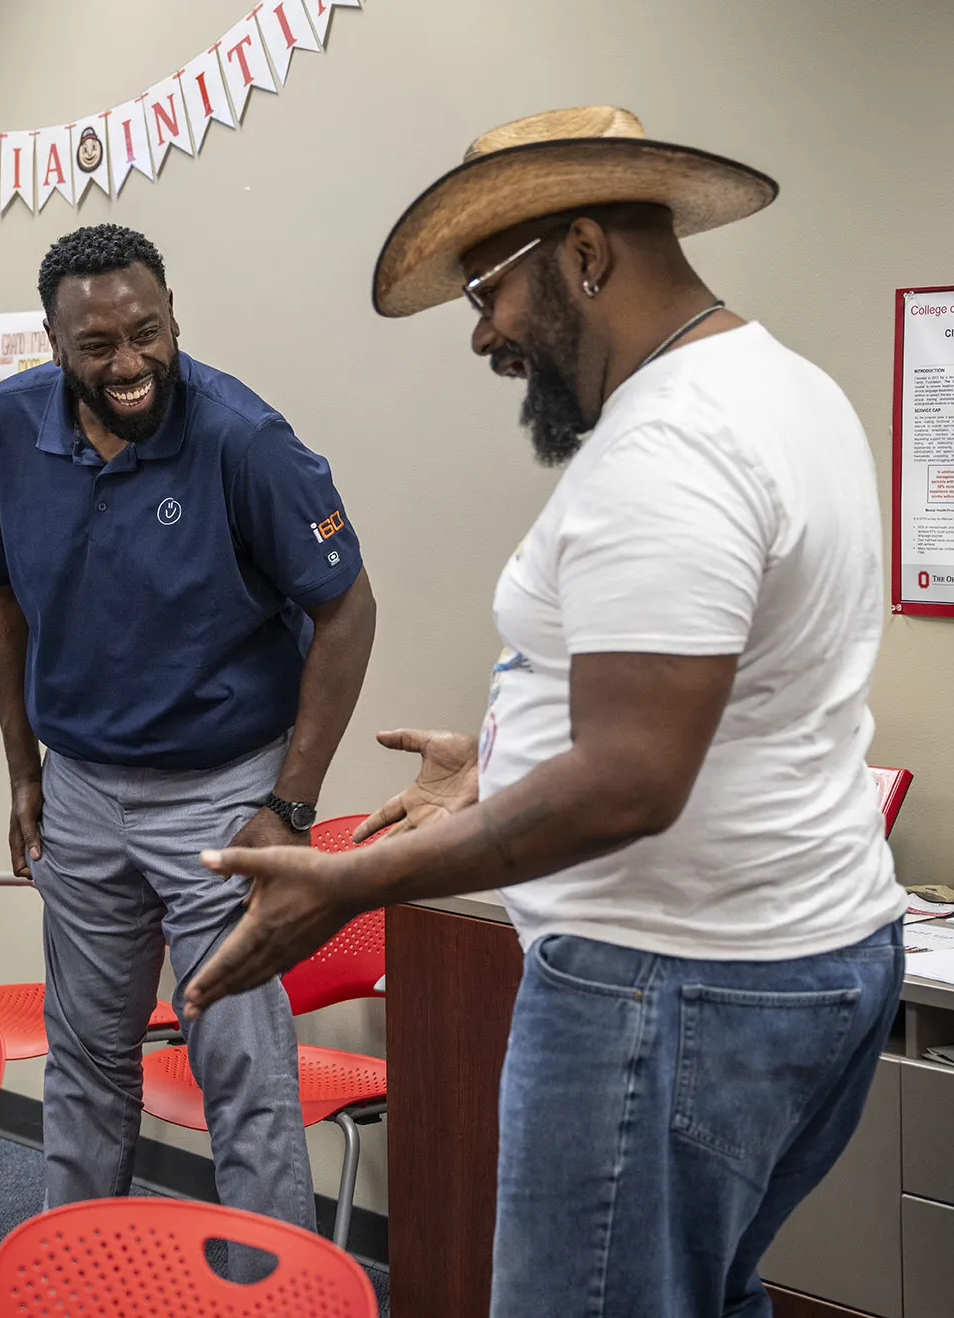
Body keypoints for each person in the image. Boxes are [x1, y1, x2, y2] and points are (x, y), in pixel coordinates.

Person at [183, 107, 907, 1316]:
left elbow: (630, 777)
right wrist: (500, 761)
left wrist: (355, 881)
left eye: (487, 291)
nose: (480, 336)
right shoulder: (787, 388)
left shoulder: (667, 445)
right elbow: (718, 698)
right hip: (806, 955)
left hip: (666, 989)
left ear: (581, 251)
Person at [0, 224, 377, 1229]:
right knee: (87, 1066)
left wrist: (288, 804)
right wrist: (24, 771)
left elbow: (345, 609)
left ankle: (270, 1302)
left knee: (245, 1081)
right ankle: (75, 1283)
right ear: (55, 345)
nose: (130, 363)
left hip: (224, 792)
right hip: (82, 784)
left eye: (147, 332)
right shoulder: (5, 426)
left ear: (172, 312)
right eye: (97, 346)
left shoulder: (240, 437)